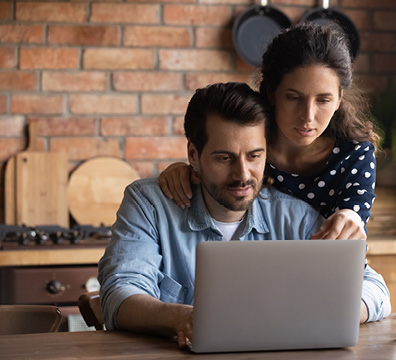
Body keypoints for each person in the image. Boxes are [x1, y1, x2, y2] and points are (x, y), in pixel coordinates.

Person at [98, 82, 391, 349]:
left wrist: (337, 312)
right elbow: (120, 294)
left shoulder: (296, 216)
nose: (242, 175)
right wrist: (180, 318)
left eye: (254, 156)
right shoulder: (149, 204)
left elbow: (376, 289)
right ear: (193, 155)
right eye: (224, 158)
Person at [158, 22, 379, 241]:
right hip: (256, 263)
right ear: (271, 93)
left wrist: (352, 218)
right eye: (293, 98)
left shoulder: (355, 154)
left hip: (324, 267)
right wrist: (185, 170)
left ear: (339, 99)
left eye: (323, 100)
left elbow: (355, 220)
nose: (308, 116)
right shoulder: (250, 142)